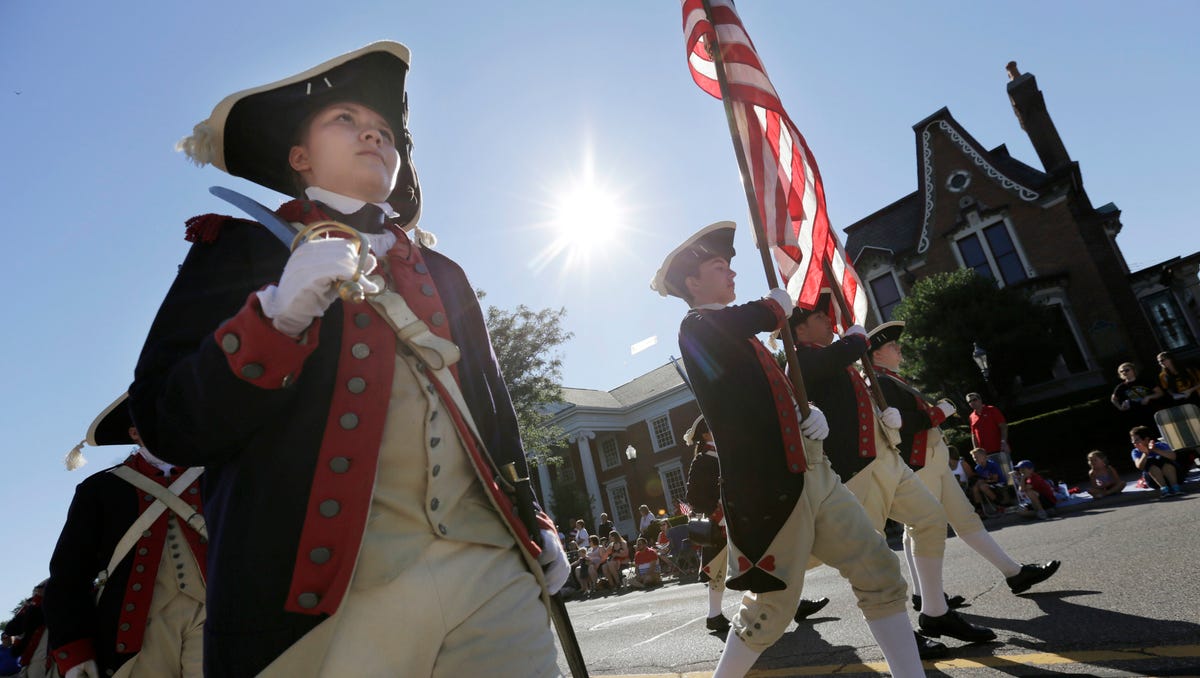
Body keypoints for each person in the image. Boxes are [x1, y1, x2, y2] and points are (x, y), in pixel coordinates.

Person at [128, 42, 567, 677]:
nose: (373, 133)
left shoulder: (444, 272)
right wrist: (276, 317)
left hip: (488, 566)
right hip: (329, 597)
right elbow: (168, 418)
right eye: (345, 119)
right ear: (299, 157)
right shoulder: (240, 251)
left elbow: (493, 415)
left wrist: (534, 518)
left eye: (385, 130)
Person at [652, 221, 927, 678]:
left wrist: (807, 414)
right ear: (692, 282)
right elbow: (735, 324)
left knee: (879, 570)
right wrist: (769, 308)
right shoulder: (698, 327)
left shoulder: (737, 335)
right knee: (769, 611)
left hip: (813, 470)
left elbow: (763, 400)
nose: (732, 273)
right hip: (772, 487)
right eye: (720, 267)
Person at [790, 306, 993, 649]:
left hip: (886, 457)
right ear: (799, 332)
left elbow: (850, 397)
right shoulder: (800, 362)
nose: (828, 321)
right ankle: (899, 636)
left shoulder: (833, 357)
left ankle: (935, 610)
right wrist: (857, 336)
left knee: (930, 519)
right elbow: (840, 356)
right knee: (871, 562)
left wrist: (885, 413)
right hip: (856, 470)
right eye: (819, 318)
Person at [868, 322, 1060, 607]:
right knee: (918, 530)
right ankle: (928, 600)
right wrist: (938, 414)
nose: (898, 348)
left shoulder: (892, 379)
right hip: (920, 463)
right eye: (891, 346)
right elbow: (899, 425)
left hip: (933, 460)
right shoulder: (882, 383)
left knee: (965, 519)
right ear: (876, 356)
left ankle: (1013, 573)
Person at [43, 395, 207, 678]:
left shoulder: (219, 478)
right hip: (135, 632)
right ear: (134, 432)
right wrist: (74, 647)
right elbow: (70, 574)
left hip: (217, 619)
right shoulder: (100, 489)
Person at [682, 416, 829, 634]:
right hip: (722, 523)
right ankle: (714, 615)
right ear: (705, 435)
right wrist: (716, 507)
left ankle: (793, 604)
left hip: (746, 519)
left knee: (770, 561)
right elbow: (693, 497)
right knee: (718, 572)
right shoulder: (703, 461)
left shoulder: (730, 455)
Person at [5, 583, 48, 678]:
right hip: (31, 661)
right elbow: (11, 629)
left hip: (49, 659)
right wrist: (35, 603)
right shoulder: (31, 606)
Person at [1130, 426, 1184, 497]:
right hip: (1154, 481)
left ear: (1146, 439)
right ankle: (1164, 489)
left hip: (1175, 477)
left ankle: (1176, 488)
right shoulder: (1135, 452)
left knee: (1163, 461)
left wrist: (1154, 449)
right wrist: (1145, 453)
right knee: (1150, 464)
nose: (1133, 442)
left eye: (1137, 440)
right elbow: (1139, 466)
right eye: (1132, 440)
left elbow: (1173, 457)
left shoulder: (1160, 445)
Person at [1111, 363, 1167, 428]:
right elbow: (1113, 399)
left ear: (1133, 370)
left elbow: (1160, 393)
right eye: (1121, 371)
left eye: (1127, 370)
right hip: (1136, 417)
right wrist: (1120, 407)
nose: (1124, 372)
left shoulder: (1145, 381)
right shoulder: (1121, 387)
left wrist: (1148, 397)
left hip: (1153, 412)